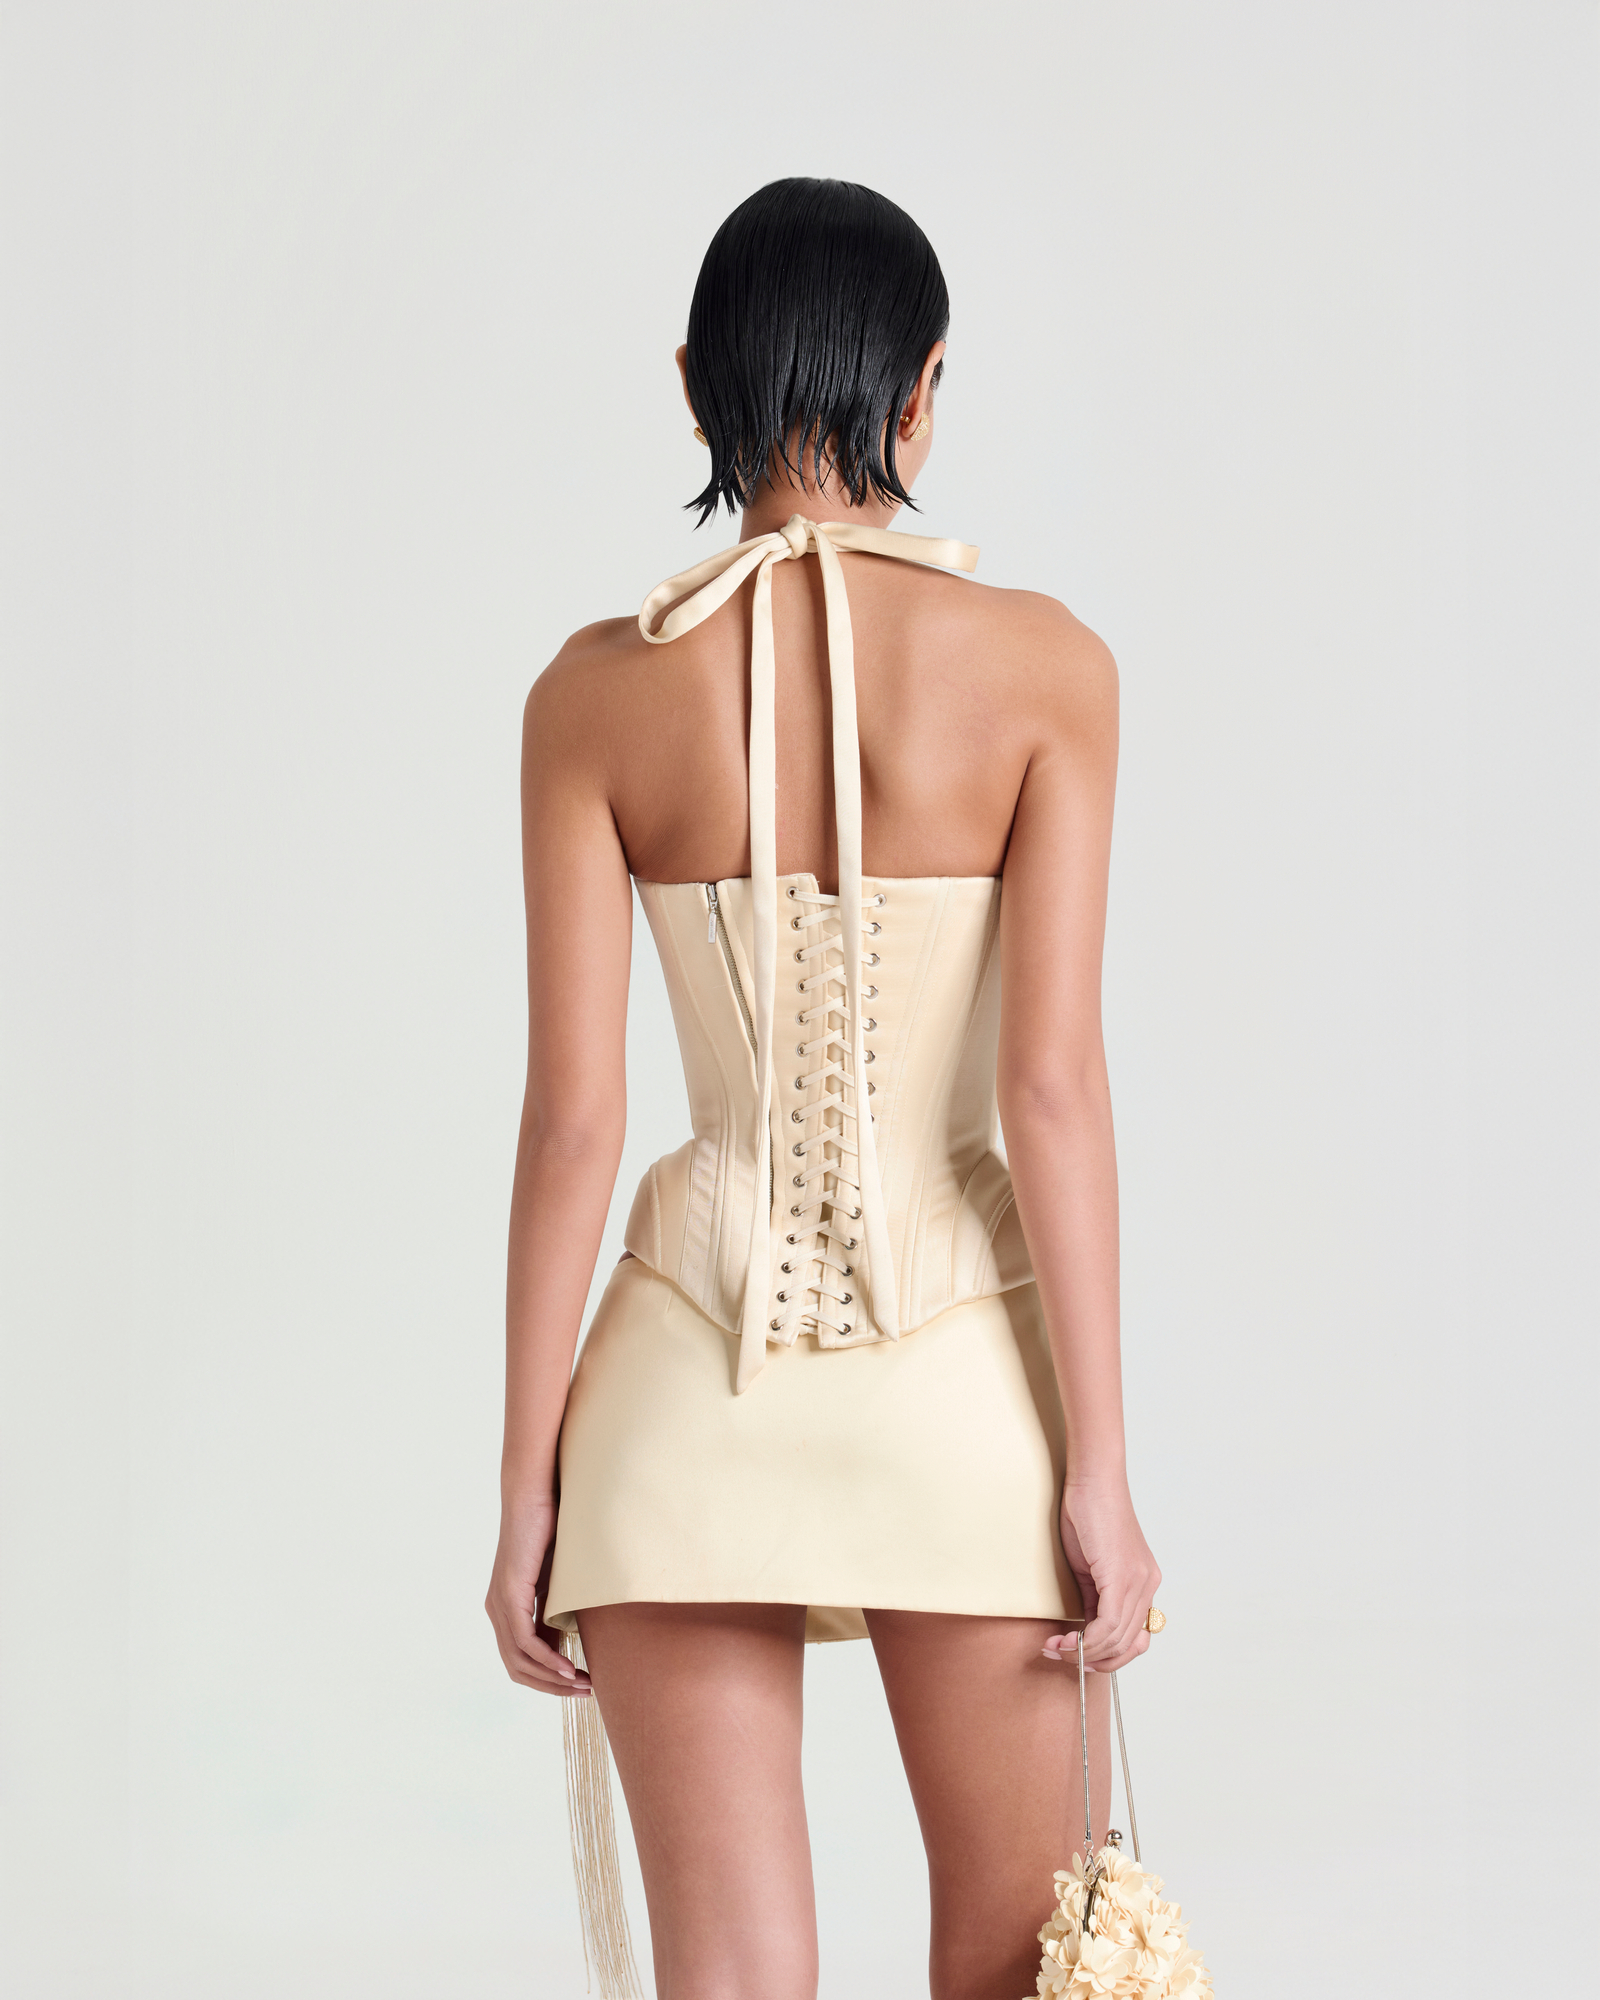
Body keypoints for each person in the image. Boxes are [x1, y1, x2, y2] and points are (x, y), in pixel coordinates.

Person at [484, 176, 1162, 2000]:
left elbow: (573, 1122)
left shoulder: (592, 694)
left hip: (676, 1393)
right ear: (923, 391)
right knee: (1023, 1966)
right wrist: (1102, 1473)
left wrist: (529, 1486)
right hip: (965, 1386)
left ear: (692, 385)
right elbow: (1052, 1091)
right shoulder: (1051, 669)